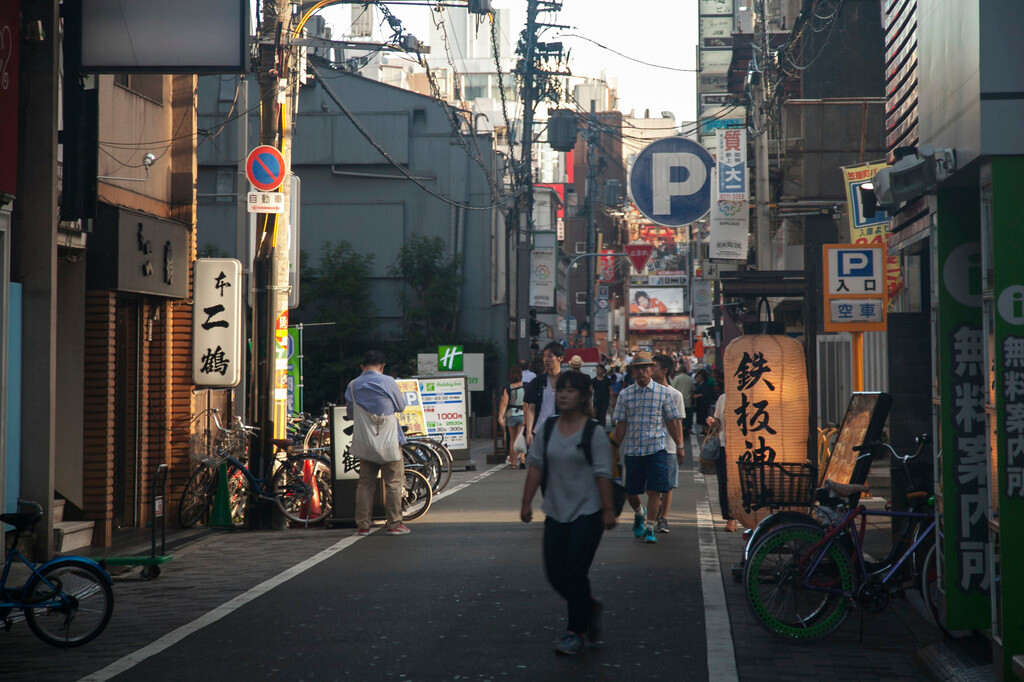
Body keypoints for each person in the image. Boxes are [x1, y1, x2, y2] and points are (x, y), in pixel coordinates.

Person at [520, 371, 616, 655]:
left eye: (571, 390)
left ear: (584, 396)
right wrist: (526, 503)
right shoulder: (548, 428)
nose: (563, 394)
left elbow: (603, 474)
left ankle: (575, 631)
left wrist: (608, 510)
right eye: (560, 389)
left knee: (574, 571)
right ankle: (589, 606)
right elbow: (536, 465)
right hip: (555, 510)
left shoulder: (594, 431)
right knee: (555, 573)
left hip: (588, 512)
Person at [612, 351, 684, 544]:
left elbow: (671, 421)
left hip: (657, 449)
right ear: (632, 372)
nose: (641, 371)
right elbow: (621, 425)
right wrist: (614, 450)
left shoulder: (664, 393)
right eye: (637, 368)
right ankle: (639, 513)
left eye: (645, 368)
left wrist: (679, 445)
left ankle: (650, 527)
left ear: (652, 370)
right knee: (631, 492)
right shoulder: (625, 395)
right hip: (633, 451)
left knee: (654, 491)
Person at [346, 350, 411, 536]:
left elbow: (351, 414)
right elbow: (400, 407)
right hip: (389, 440)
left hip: (365, 442)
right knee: (393, 483)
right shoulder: (388, 381)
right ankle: (394, 524)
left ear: (362, 366)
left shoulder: (352, 386)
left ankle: (363, 526)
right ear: (382, 366)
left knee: (365, 484)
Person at [651, 354, 685, 533]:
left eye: (654, 366)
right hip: (649, 446)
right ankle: (653, 514)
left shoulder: (675, 394)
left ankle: (663, 518)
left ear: (664, 370)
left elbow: (678, 422)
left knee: (667, 485)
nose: (651, 369)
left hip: (669, 446)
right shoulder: (646, 391)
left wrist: (680, 446)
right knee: (653, 486)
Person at [524, 342, 564, 447]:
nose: (546, 359)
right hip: (539, 432)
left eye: (550, 356)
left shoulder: (567, 382)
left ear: (560, 358)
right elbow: (531, 408)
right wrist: (529, 432)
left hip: (561, 432)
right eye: (544, 356)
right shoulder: (537, 382)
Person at [707, 392, 737, 531]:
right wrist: (713, 421)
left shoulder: (753, 394)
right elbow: (718, 421)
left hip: (746, 448)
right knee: (724, 483)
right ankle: (730, 518)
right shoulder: (723, 398)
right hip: (724, 445)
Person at [499, 366, 527, 469]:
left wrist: (500, 417)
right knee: (521, 437)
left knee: (513, 439)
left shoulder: (507, 387)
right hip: (522, 414)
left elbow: (504, 403)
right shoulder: (525, 386)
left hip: (511, 415)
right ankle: (523, 459)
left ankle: (514, 462)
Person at [671, 360, 695, 458]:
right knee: (687, 419)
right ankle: (685, 433)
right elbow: (692, 390)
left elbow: (672, 389)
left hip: (678, 402)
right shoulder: (689, 379)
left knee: (679, 420)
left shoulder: (676, 378)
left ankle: (680, 435)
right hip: (688, 401)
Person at [693, 370, 713, 435]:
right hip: (700, 403)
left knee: (704, 416)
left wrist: (698, 395)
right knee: (702, 416)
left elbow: (706, 393)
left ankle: (706, 430)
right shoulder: (700, 384)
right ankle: (704, 430)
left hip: (704, 403)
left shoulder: (705, 385)